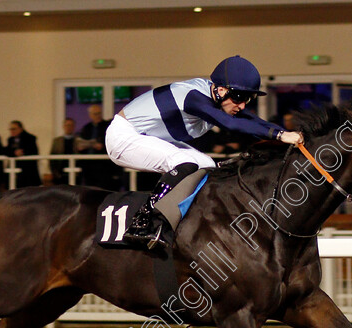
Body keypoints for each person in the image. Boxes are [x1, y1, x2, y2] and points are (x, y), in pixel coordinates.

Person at [105, 55, 302, 249]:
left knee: (208, 166)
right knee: (184, 163)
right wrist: (278, 136)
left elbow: (249, 119)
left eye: (248, 99)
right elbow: (230, 123)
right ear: (221, 90)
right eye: (239, 97)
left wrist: (283, 133)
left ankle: (190, 219)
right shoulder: (193, 97)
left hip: (149, 136)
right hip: (123, 137)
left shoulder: (218, 97)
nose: (242, 105)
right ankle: (142, 221)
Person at [79, 105, 120, 190]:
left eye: (99, 113)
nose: (97, 116)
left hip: (104, 165)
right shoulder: (86, 128)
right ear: (90, 115)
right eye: (95, 114)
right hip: (89, 165)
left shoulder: (107, 126)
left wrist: (102, 146)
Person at [4, 120, 40, 188]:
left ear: (20, 129)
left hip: (28, 172)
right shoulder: (10, 139)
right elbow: (6, 151)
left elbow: (33, 152)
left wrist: (23, 152)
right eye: (10, 129)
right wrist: (14, 152)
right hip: (15, 172)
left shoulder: (30, 138)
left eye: (14, 129)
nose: (12, 131)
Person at [49, 117, 79, 185]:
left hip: (75, 172)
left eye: (71, 125)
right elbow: (52, 158)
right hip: (60, 173)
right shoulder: (57, 141)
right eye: (67, 125)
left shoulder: (78, 140)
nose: (69, 127)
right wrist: (55, 172)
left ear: (74, 127)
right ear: (63, 126)